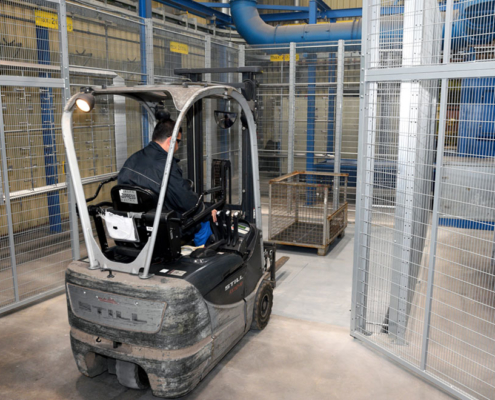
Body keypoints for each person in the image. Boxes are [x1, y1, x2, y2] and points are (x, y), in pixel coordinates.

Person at [118, 112, 217, 246]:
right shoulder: (166, 165)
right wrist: (206, 209)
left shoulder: (132, 160)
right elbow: (184, 200)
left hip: (134, 227)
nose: (178, 146)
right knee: (204, 218)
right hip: (162, 227)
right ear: (171, 140)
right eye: (178, 142)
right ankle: (202, 254)